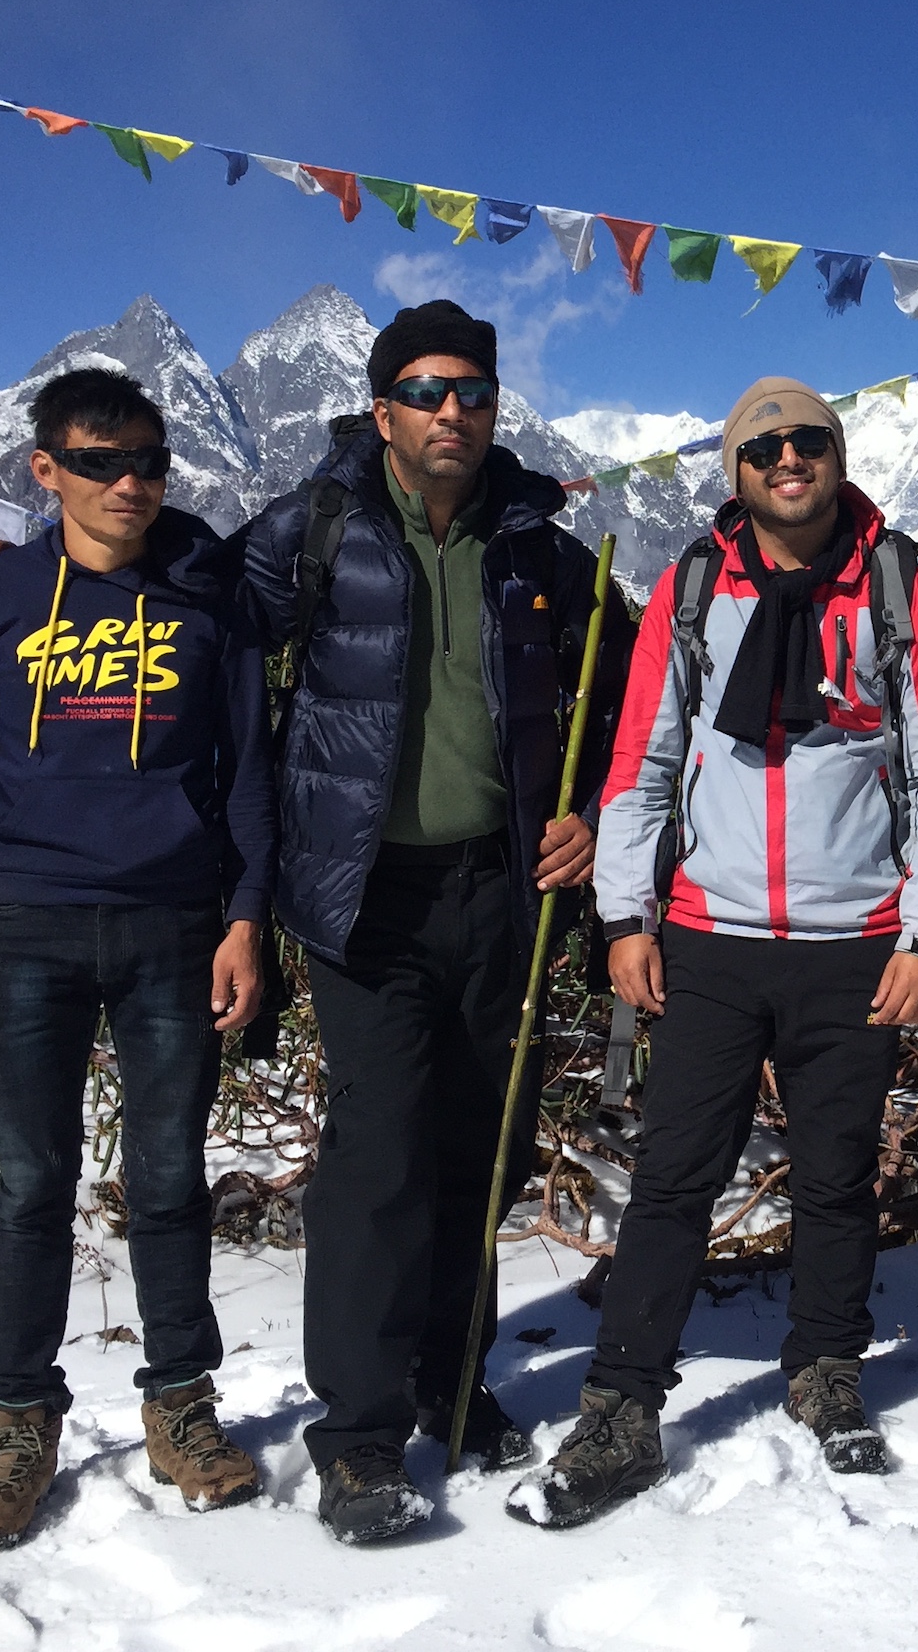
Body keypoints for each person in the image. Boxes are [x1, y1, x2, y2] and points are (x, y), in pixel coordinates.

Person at [523, 377, 918, 1529]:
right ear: (735, 471)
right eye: (764, 447)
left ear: (837, 457)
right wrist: (624, 920)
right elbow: (641, 766)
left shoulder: (898, 591)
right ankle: (623, 1396)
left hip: (857, 940)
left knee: (835, 1176)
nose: (788, 459)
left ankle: (828, 1369)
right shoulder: (690, 591)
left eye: (809, 441)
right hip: (709, 934)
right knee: (674, 1177)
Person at [237, 300, 634, 1543]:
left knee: (487, 1146)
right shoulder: (315, 528)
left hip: (504, 889)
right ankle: (357, 1432)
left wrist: (596, 814)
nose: (449, 411)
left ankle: (448, 1382)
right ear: (381, 411)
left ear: (494, 407)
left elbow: (631, 699)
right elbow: (180, 610)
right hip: (364, 895)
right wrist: (18, 572)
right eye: (424, 390)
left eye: (470, 390)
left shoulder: (541, 549)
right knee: (377, 1157)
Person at [0, 364, 274, 1550]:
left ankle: (181, 1404)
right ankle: (20, 1423)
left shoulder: (207, 589)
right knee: (31, 1186)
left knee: (169, 1178)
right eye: (102, 462)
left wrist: (246, 914)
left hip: (177, 924)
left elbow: (250, 771)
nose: (131, 485)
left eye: (150, 463)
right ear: (46, 470)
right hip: (24, 926)